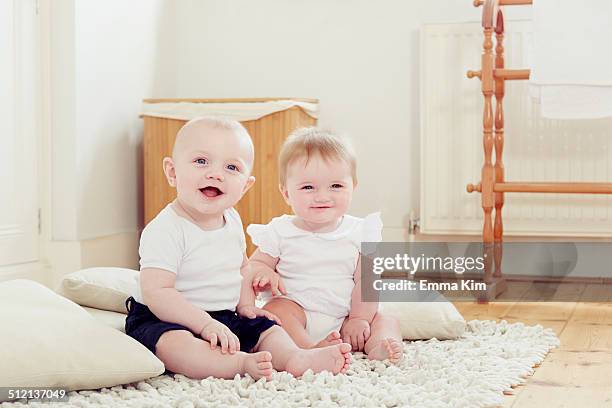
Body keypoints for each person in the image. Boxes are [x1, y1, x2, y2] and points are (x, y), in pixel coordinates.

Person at [125, 117, 352, 381]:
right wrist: (204, 324)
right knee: (175, 346)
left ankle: (295, 357)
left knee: (269, 329)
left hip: (223, 314)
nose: (216, 174)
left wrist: (246, 305)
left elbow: (242, 266)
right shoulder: (166, 229)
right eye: (201, 161)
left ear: (245, 186)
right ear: (172, 172)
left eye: (231, 167)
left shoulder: (231, 220)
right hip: (166, 318)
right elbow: (158, 292)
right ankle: (240, 364)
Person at [247, 127, 403, 363]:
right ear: (286, 193)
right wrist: (264, 272)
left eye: (336, 186)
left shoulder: (361, 231)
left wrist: (359, 318)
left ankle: (379, 348)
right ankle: (309, 349)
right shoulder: (280, 231)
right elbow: (254, 264)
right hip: (296, 311)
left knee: (385, 319)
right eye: (308, 187)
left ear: (353, 187)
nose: (322, 196)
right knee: (274, 312)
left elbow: (367, 281)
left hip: (345, 317)